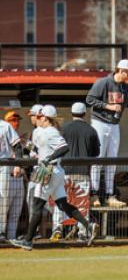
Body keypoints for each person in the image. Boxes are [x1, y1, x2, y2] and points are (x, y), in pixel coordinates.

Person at [9, 105, 98, 250]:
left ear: (45, 118)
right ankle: (88, 226)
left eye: (39, 116)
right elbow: (36, 148)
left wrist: (49, 158)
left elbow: (64, 148)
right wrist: (25, 151)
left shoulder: (51, 132)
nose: (37, 118)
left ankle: (27, 241)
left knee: (37, 206)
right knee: (63, 204)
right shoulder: (42, 132)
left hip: (47, 170)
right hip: (53, 171)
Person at [86, 59, 128, 207]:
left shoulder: (125, 88)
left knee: (112, 159)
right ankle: (94, 194)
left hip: (114, 125)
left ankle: (110, 195)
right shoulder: (103, 82)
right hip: (100, 122)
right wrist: (108, 106)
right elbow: (90, 99)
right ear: (121, 71)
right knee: (98, 159)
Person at [50, 102, 101, 242]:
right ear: (85, 113)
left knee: (60, 201)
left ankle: (57, 228)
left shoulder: (64, 129)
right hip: (83, 171)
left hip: (65, 171)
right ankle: (83, 233)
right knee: (82, 203)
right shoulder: (91, 130)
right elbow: (96, 152)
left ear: (72, 113)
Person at [0, 112, 23, 242]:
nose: (16, 122)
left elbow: (18, 147)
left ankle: (3, 233)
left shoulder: (4, 126)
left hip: (4, 165)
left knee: (3, 200)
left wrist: (18, 164)